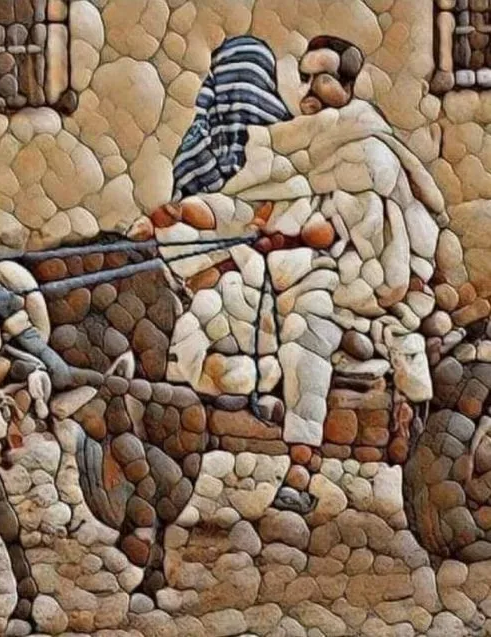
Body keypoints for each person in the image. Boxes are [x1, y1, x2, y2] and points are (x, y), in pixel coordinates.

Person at [133, 35, 445, 455]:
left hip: (341, 281)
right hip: (275, 274)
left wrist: (289, 240)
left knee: (305, 326)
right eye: (304, 77)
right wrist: (181, 213)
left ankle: (302, 455)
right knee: (210, 304)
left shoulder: (367, 152)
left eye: (323, 79)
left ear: (348, 86)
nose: (310, 89)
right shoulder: (290, 143)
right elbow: (242, 206)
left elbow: (357, 240)